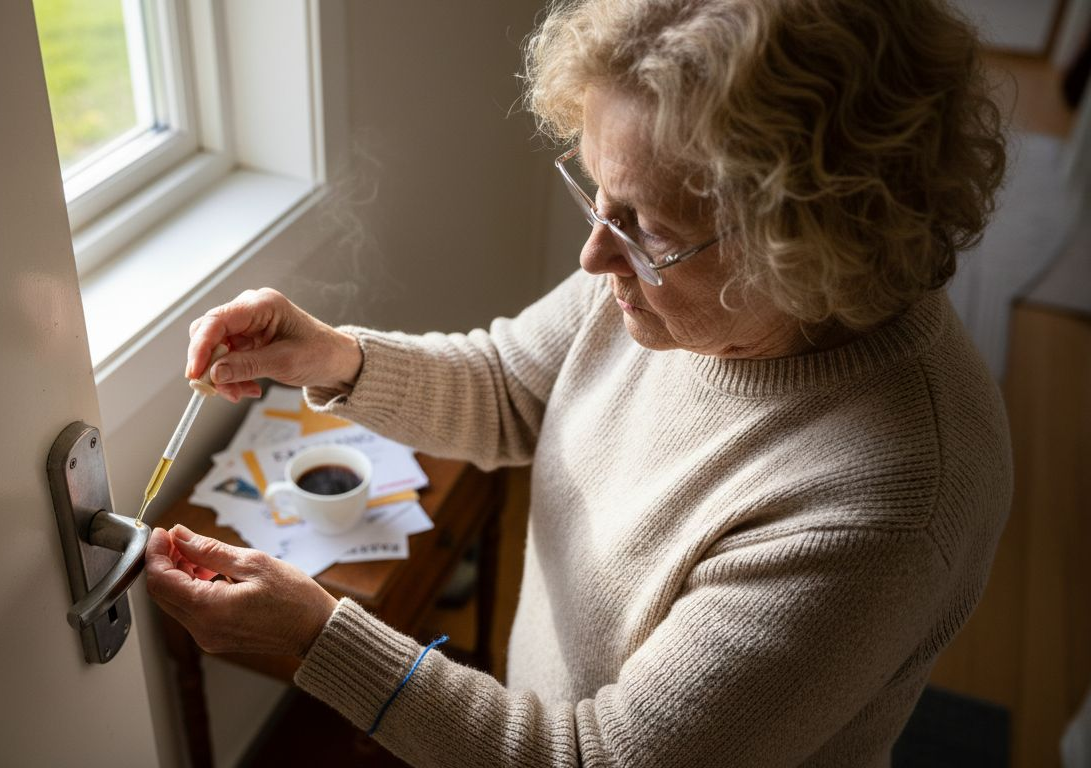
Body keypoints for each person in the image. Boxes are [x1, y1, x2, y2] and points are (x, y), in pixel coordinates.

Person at [144, 0, 1010, 764]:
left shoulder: (888, 501)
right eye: (595, 193)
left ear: (803, 244)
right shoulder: (663, 286)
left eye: (641, 225)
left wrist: (315, 638)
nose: (595, 255)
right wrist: (333, 358)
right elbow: (513, 386)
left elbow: (595, 760)